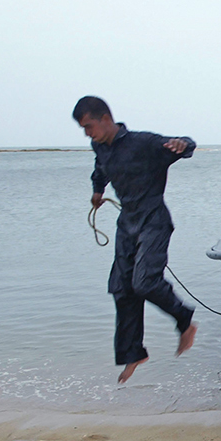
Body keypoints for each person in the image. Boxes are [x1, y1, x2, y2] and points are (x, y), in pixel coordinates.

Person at [73, 95, 197, 385]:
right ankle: (133, 353)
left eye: (89, 126)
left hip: (153, 221)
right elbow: (100, 169)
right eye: (83, 129)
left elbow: (185, 143)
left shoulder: (144, 143)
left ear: (106, 118)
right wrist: (97, 190)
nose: (87, 133)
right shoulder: (99, 146)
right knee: (121, 288)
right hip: (127, 222)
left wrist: (183, 145)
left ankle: (185, 322)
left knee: (145, 282)